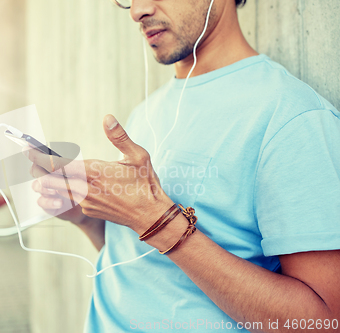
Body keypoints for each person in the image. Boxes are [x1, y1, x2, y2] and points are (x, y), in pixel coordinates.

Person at [24, 0, 340, 331]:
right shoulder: (147, 111)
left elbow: (323, 321)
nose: (137, 11)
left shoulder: (291, 118)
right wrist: (86, 219)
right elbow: (146, 266)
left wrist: (157, 221)